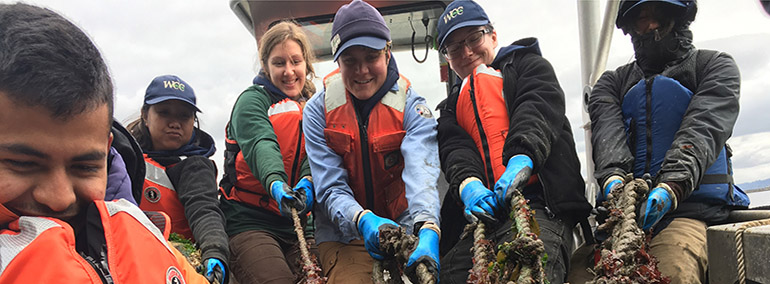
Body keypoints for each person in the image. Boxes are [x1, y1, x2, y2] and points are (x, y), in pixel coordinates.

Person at [0, 3, 207, 283]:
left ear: (107, 150)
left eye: (85, 167)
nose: (60, 198)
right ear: (145, 116)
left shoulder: (148, 238)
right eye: (22, 164)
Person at [587, 0, 750, 283]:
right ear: (629, 27)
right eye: (641, 18)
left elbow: (703, 129)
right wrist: (614, 183)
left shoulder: (714, 66)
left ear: (678, 16)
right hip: (622, 221)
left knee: (673, 269)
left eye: (659, 14)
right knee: (582, 269)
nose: (651, 25)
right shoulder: (611, 84)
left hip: (691, 214)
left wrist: (671, 187)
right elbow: (607, 137)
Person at [433, 1, 592, 283]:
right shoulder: (450, 108)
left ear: (493, 36)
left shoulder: (530, 67)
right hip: (484, 219)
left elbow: (537, 108)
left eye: (473, 38)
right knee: (451, 274)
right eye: (454, 48)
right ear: (447, 58)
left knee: (533, 267)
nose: (467, 52)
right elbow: (455, 149)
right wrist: (469, 185)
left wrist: (522, 157)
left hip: (543, 206)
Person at [302, 0, 442, 282]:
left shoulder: (412, 108)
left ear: (387, 54)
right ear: (337, 62)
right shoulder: (317, 111)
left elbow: (421, 173)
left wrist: (427, 227)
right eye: (350, 61)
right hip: (343, 235)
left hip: (404, 225)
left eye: (371, 57)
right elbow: (329, 187)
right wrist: (362, 220)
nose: (362, 70)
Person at [217, 20, 317, 284]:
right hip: (249, 221)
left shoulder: (315, 107)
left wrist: (307, 182)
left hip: (299, 226)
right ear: (265, 65)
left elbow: (316, 153)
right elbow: (262, 142)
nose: (289, 71)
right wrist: (275, 182)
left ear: (306, 63)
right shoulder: (252, 101)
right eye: (278, 63)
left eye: (295, 61)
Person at [127, 74, 230, 284]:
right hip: (132, 254)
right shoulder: (124, 157)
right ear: (145, 115)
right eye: (164, 113)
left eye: (184, 116)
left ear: (193, 122)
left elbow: (204, 210)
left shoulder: (195, 165)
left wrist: (215, 252)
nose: (174, 123)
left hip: (183, 261)